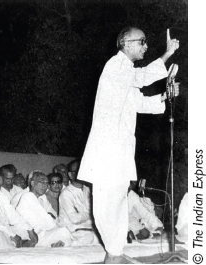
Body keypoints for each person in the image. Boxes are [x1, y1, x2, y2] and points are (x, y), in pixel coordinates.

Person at [77, 27, 180, 263]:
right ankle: (113, 255)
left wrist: (165, 97)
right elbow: (141, 77)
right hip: (107, 151)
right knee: (108, 203)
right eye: (142, 41)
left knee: (118, 201)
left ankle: (115, 252)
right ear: (125, 42)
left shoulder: (125, 73)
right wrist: (166, 55)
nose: (145, 46)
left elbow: (138, 102)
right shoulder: (116, 66)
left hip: (119, 150)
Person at [14, 171, 84, 247]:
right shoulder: (27, 196)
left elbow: (53, 214)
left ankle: (60, 243)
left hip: (44, 232)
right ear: (32, 183)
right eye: (42, 182)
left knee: (76, 232)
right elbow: (48, 221)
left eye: (46, 183)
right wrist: (50, 218)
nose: (45, 186)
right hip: (31, 236)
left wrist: (51, 218)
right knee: (64, 231)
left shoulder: (42, 197)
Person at [58, 159, 94, 233]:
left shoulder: (88, 190)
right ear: (70, 175)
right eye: (77, 171)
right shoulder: (66, 193)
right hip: (72, 231)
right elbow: (75, 219)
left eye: (82, 170)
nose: (81, 174)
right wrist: (93, 213)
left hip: (89, 229)